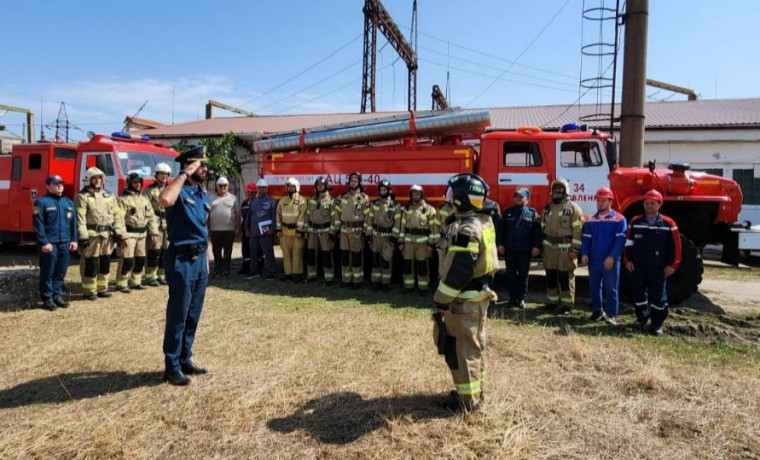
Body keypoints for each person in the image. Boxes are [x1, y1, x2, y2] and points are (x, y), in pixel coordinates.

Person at [433, 173, 498, 413]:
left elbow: (459, 269)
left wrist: (441, 299)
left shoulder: (467, 228)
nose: (448, 198)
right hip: (475, 296)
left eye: (452, 194)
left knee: (463, 350)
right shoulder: (482, 220)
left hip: (465, 299)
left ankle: (468, 402)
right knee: (473, 347)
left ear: (462, 198)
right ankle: (474, 394)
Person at [159, 145, 211, 386]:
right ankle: (171, 365)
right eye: (201, 165)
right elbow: (165, 199)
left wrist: (207, 260)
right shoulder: (177, 189)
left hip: (199, 260)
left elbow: (203, 229)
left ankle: (185, 358)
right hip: (181, 259)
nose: (205, 169)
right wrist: (182, 174)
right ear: (190, 165)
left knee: (193, 314)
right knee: (178, 314)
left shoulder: (201, 193)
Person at [623, 189, 681, 336]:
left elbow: (676, 247)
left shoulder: (668, 223)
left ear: (659, 205)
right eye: (646, 203)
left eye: (652, 203)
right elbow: (628, 243)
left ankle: (657, 324)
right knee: (638, 294)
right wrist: (627, 260)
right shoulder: (635, 222)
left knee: (658, 297)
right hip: (638, 266)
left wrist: (673, 265)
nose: (649, 205)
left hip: (658, 268)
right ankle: (641, 318)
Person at [75, 167, 126, 301]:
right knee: (90, 263)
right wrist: (83, 236)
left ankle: (102, 288)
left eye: (99, 178)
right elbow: (80, 218)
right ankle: (89, 291)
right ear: (88, 180)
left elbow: (117, 215)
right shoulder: (82, 197)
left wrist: (119, 232)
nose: (97, 180)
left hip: (107, 235)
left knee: (105, 262)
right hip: (92, 236)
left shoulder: (109, 196)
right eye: (94, 178)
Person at [580, 187, 627, 325]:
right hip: (594, 260)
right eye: (598, 201)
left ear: (610, 201)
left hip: (610, 260)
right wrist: (584, 254)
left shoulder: (619, 219)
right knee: (594, 286)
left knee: (611, 287)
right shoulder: (591, 220)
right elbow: (586, 239)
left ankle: (612, 314)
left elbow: (620, 240)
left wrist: (613, 256)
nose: (600, 203)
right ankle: (597, 311)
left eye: (603, 201)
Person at [33, 175, 78, 310]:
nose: (60, 186)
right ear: (48, 186)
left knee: (60, 272)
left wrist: (74, 240)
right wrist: (44, 242)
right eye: (56, 183)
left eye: (61, 184)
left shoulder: (68, 203)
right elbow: (38, 225)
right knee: (48, 272)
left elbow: (73, 224)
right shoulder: (41, 202)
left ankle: (57, 295)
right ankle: (47, 298)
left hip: (65, 243)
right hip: (50, 244)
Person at [540, 178, 583, 315]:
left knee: (565, 277)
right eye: (555, 189)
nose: (557, 192)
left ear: (566, 191)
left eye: (560, 189)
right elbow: (542, 228)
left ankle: (567, 306)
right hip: (549, 250)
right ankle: (552, 303)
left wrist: (575, 250)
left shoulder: (573, 209)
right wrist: (542, 248)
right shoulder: (547, 209)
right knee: (551, 277)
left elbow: (578, 231)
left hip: (566, 250)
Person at [497, 188, 541, 309]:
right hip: (510, 250)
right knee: (510, 275)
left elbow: (537, 232)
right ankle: (512, 299)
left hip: (524, 251)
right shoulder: (507, 213)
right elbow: (500, 230)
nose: (518, 198)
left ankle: (521, 299)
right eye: (516, 196)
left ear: (526, 200)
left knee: (523, 276)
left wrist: (536, 247)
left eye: (521, 197)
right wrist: (500, 244)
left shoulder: (532, 214)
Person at [116, 173, 159, 293]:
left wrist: (154, 231)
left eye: (140, 182)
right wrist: (122, 235)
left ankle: (136, 282)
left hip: (142, 235)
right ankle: (122, 283)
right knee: (127, 260)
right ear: (129, 183)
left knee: (140, 259)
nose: (138, 184)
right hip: (129, 234)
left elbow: (151, 217)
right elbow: (118, 219)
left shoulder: (144, 200)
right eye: (135, 182)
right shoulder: (122, 199)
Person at [399, 184, 440, 295]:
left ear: (421, 195)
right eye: (413, 194)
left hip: (423, 244)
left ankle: (423, 288)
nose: (415, 196)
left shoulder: (429, 209)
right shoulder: (407, 209)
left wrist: (431, 244)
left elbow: (433, 229)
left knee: (422, 266)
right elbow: (402, 226)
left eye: (417, 194)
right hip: (408, 243)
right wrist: (401, 241)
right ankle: (409, 286)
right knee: (407, 266)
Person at [333, 171, 370, 288]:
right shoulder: (342, 197)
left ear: (359, 183)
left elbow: (368, 217)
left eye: (355, 181)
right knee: (344, 257)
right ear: (348, 183)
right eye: (351, 181)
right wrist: (337, 230)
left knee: (356, 257)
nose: (353, 183)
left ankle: (357, 281)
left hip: (357, 232)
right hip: (344, 232)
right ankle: (346, 280)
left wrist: (365, 232)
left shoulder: (364, 197)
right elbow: (337, 214)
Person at [366, 179, 401, 292]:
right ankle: (376, 282)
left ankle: (386, 283)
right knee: (375, 261)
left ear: (389, 190)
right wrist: (369, 235)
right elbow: (370, 220)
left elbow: (397, 223)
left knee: (386, 261)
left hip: (388, 237)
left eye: (384, 189)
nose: (382, 191)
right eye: (381, 189)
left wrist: (394, 238)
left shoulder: (395, 205)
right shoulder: (375, 204)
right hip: (376, 236)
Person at [144, 162, 172, 286]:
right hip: (155, 222)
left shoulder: (171, 189)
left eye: (166, 174)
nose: (164, 177)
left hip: (168, 223)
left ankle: (162, 275)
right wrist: (151, 227)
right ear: (156, 175)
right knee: (154, 251)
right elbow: (146, 209)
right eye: (161, 174)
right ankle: (151, 276)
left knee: (166, 251)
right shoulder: (150, 190)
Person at [305, 176, 337, 285]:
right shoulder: (312, 199)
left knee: (327, 255)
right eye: (318, 185)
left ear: (326, 186)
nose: (320, 187)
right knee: (311, 255)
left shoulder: (331, 200)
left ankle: (329, 279)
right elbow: (307, 216)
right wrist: (306, 230)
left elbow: (334, 218)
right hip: (312, 231)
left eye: (322, 185)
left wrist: (332, 232)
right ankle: (311, 276)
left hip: (325, 232)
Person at [244, 179, 277, 280]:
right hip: (254, 233)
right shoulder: (253, 201)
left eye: (263, 187)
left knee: (268, 254)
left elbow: (274, 217)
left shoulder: (272, 201)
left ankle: (271, 273)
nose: (261, 189)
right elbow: (248, 217)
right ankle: (254, 272)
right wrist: (246, 229)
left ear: (267, 188)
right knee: (253, 253)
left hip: (266, 234)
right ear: (257, 188)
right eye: (259, 187)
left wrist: (272, 229)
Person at [276, 177, 307, 283]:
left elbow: (302, 217)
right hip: (284, 232)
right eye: (288, 186)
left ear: (297, 187)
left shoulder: (302, 200)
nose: (290, 188)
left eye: (292, 186)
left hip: (296, 233)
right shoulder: (282, 200)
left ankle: (297, 274)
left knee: (297, 253)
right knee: (286, 254)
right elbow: (278, 216)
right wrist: (278, 230)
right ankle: (288, 274)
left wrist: (300, 230)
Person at [208, 176, 238, 277]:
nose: (222, 187)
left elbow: (238, 214)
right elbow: (207, 213)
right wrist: (207, 227)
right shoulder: (210, 198)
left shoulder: (234, 198)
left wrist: (237, 227)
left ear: (228, 186)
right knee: (216, 251)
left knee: (228, 251)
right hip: (214, 229)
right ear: (217, 186)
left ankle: (226, 269)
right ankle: (217, 269)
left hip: (229, 229)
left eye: (224, 186)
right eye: (220, 186)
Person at [237, 182, 256, 275]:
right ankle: (245, 267)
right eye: (249, 192)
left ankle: (258, 268)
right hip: (245, 229)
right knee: (245, 249)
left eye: (253, 192)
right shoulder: (244, 203)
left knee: (257, 250)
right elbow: (242, 216)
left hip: (255, 229)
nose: (251, 194)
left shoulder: (257, 202)